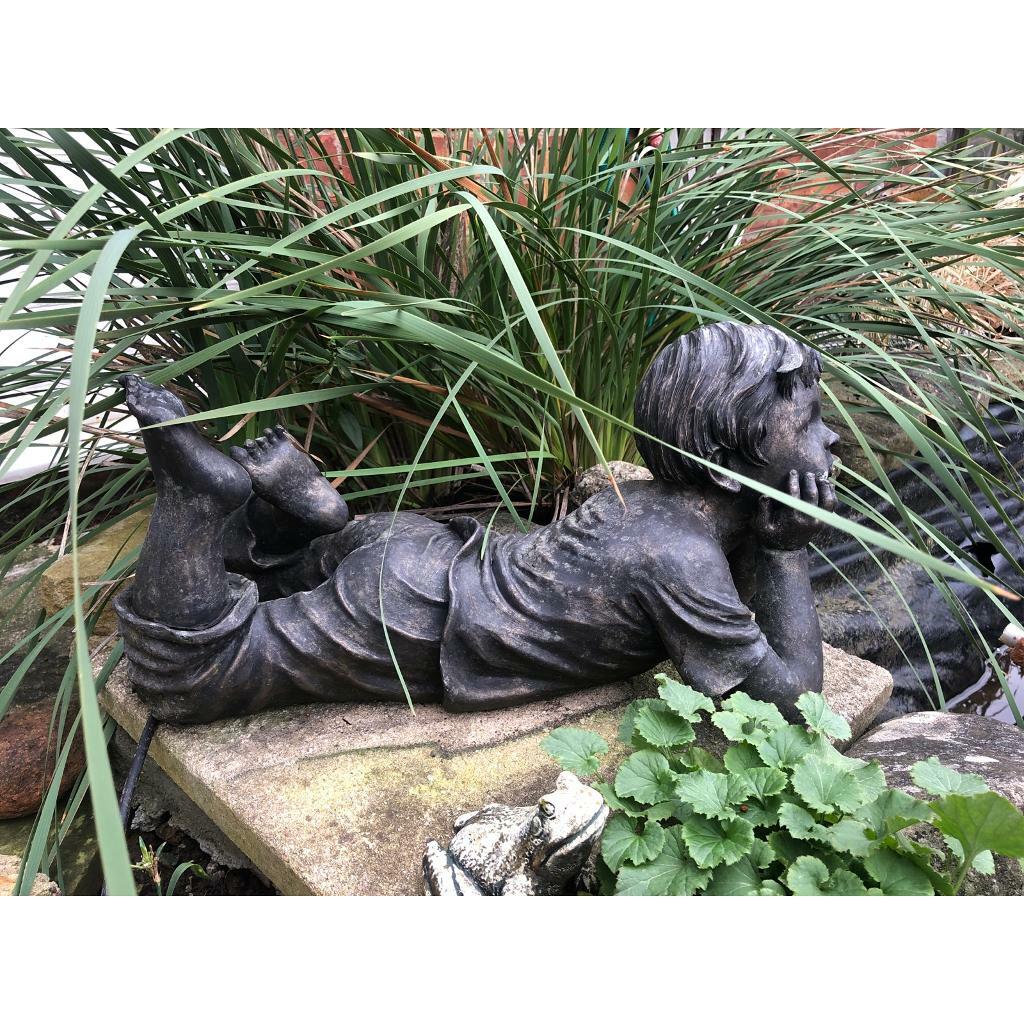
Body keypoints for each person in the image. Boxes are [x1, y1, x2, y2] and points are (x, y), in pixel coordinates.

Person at [113, 322, 840, 725]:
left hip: (420, 548)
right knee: (187, 675)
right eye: (806, 422)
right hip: (416, 616)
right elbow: (799, 706)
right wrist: (786, 553)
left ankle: (302, 526)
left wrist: (769, 533)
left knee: (283, 580)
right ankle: (196, 501)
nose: (831, 440)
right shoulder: (679, 559)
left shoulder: (663, 504)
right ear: (720, 464)